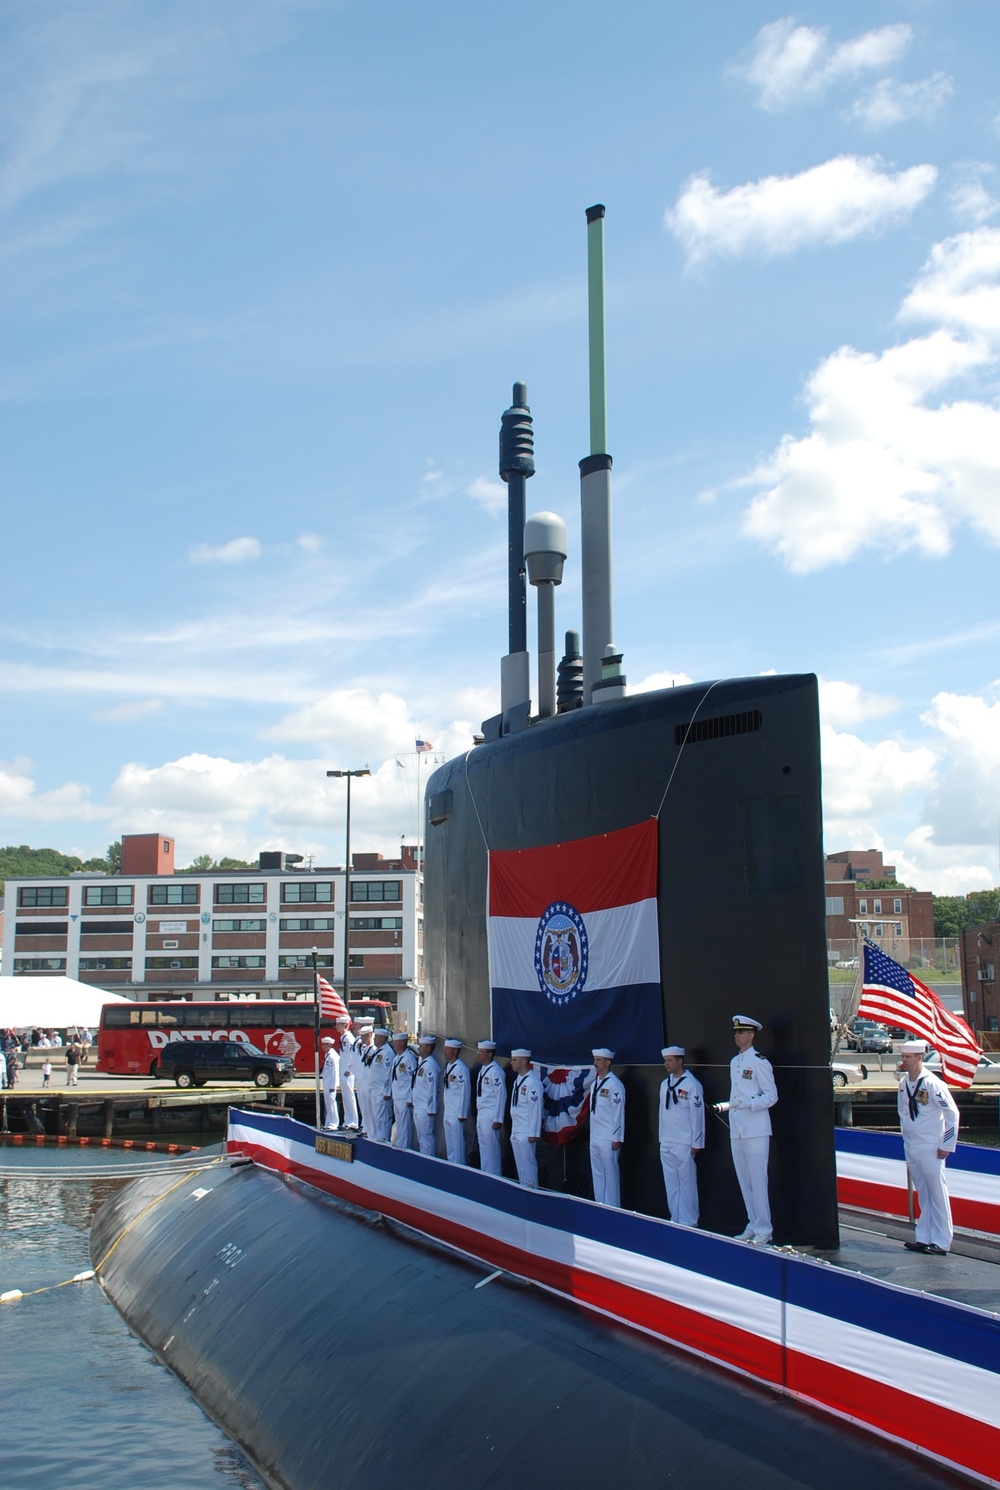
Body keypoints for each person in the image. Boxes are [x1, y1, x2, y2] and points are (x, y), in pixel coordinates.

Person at [715, 1015, 778, 1245]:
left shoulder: (759, 1062)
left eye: (741, 1032)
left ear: (751, 1035)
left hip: (755, 1128)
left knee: (758, 1180)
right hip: (737, 1127)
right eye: (736, 1032)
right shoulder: (735, 1062)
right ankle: (753, 1223)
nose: (736, 1035)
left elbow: (771, 1096)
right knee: (744, 1179)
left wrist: (749, 1104)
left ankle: (764, 1228)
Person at [898, 1038, 960, 1255]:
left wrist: (947, 1144)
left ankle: (942, 1241)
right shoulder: (904, 1083)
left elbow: (952, 1113)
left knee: (937, 1193)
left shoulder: (932, 1083)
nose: (904, 1061)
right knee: (923, 1193)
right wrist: (906, 1137)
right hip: (913, 1144)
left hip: (931, 1145)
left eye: (908, 1057)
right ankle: (924, 1237)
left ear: (919, 1058)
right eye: (903, 1057)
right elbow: (903, 1112)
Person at [658, 1045, 704, 1227]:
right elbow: (661, 1112)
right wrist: (661, 1138)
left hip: (684, 1140)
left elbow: (697, 1115)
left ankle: (689, 1220)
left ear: (680, 1061)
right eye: (665, 1060)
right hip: (667, 1139)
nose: (666, 1064)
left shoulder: (691, 1084)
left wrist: (697, 1141)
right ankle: (676, 1217)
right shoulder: (664, 1084)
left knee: (687, 1183)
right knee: (671, 1182)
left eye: (670, 1060)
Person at [589, 1048, 625, 1206]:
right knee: (598, 1174)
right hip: (595, 1135)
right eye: (595, 1059)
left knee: (610, 1175)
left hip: (608, 1136)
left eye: (598, 1060)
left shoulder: (614, 1085)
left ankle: (613, 1207)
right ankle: (600, 1204)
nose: (595, 1063)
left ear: (608, 1062)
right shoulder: (595, 1083)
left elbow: (618, 1112)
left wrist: (617, 1137)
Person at [509, 1049, 543, 1188]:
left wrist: (533, 1133)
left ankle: (532, 1191)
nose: (512, 1062)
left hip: (526, 1129)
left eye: (515, 1060)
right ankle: (524, 1188)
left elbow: (535, 1108)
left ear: (524, 1061)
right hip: (516, 1128)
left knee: (528, 1164)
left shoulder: (532, 1082)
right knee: (521, 1166)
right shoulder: (519, 1080)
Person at [475, 1039, 506, 1176]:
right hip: (482, 1114)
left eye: (482, 1052)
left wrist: (498, 1118)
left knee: (492, 1150)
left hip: (491, 1114)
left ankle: (494, 1176)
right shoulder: (483, 1070)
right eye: (479, 1051)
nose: (479, 1054)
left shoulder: (496, 1071)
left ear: (489, 1054)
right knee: (484, 1149)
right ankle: (485, 1174)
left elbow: (501, 1095)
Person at [411, 1034, 441, 1156]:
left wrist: (431, 1108)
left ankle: (429, 1159)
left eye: (422, 1046)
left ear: (428, 1049)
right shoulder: (423, 1063)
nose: (419, 1048)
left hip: (425, 1106)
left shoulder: (430, 1065)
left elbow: (432, 1088)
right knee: (421, 1137)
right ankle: (424, 1157)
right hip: (418, 1105)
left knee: (427, 1136)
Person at [442, 1038, 470, 1164]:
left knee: (458, 1147)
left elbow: (465, 1091)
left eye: (447, 1049)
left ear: (454, 1051)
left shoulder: (460, 1069)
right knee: (450, 1147)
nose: (444, 1051)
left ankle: (460, 1169)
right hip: (448, 1111)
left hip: (457, 1113)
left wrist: (462, 1114)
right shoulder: (448, 1067)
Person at [390, 1031, 417, 1149]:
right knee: (400, 1125)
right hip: (397, 1096)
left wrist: (410, 1098)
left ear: (402, 1043)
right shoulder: (397, 1058)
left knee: (405, 1127)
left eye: (395, 1043)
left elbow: (413, 1080)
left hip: (405, 1097)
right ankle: (401, 1145)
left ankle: (406, 1148)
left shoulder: (408, 1059)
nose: (393, 1045)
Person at [368, 1028, 395, 1141]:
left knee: (384, 1118)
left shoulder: (387, 1053)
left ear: (383, 1038)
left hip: (382, 1091)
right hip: (375, 1089)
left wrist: (387, 1091)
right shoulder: (378, 1051)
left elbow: (389, 1073)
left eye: (377, 1037)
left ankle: (383, 1139)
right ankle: (378, 1137)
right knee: (378, 1117)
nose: (375, 1039)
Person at [336, 1015, 360, 1129]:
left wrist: (349, 1070)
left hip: (347, 1072)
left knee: (350, 1097)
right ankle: (348, 1121)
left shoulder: (349, 1038)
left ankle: (353, 1122)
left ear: (345, 1025)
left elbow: (353, 1055)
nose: (336, 1027)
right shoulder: (343, 1037)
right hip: (343, 1071)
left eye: (338, 1025)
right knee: (345, 1098)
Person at [353, 1022, 376, 1133]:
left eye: (363, 1036)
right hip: (364, 1083)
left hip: (370, 1085)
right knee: (365, 1109)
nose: (361, 1038)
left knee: (371, 1111)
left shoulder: (373, 1050)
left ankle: (371, 1131)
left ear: (368, 1035)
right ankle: (366, 1129)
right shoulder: (365, 1049)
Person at [320, 1036, 341, 1130]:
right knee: (328, 1104)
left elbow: (335, 1071)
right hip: (327, 1082)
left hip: (330, 1084)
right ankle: (329, 1123)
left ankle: (334, 1123)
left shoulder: (333, 1056)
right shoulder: (328, 1055)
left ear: (329, 1045)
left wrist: (334, 1085)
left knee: (332, 1103)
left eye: (324, 1044)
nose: (322, 1046)